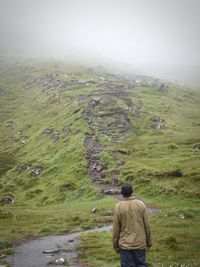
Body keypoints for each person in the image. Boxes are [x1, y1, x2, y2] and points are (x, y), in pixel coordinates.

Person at [113, 183, 152, 267]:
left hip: (125, 245)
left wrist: (115, 246)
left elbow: (116, 229)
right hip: (140, 243)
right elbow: (147, 225)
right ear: (132, 192)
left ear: (122, 193)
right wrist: (149, 242)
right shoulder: (141, 204)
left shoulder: (118, 206)